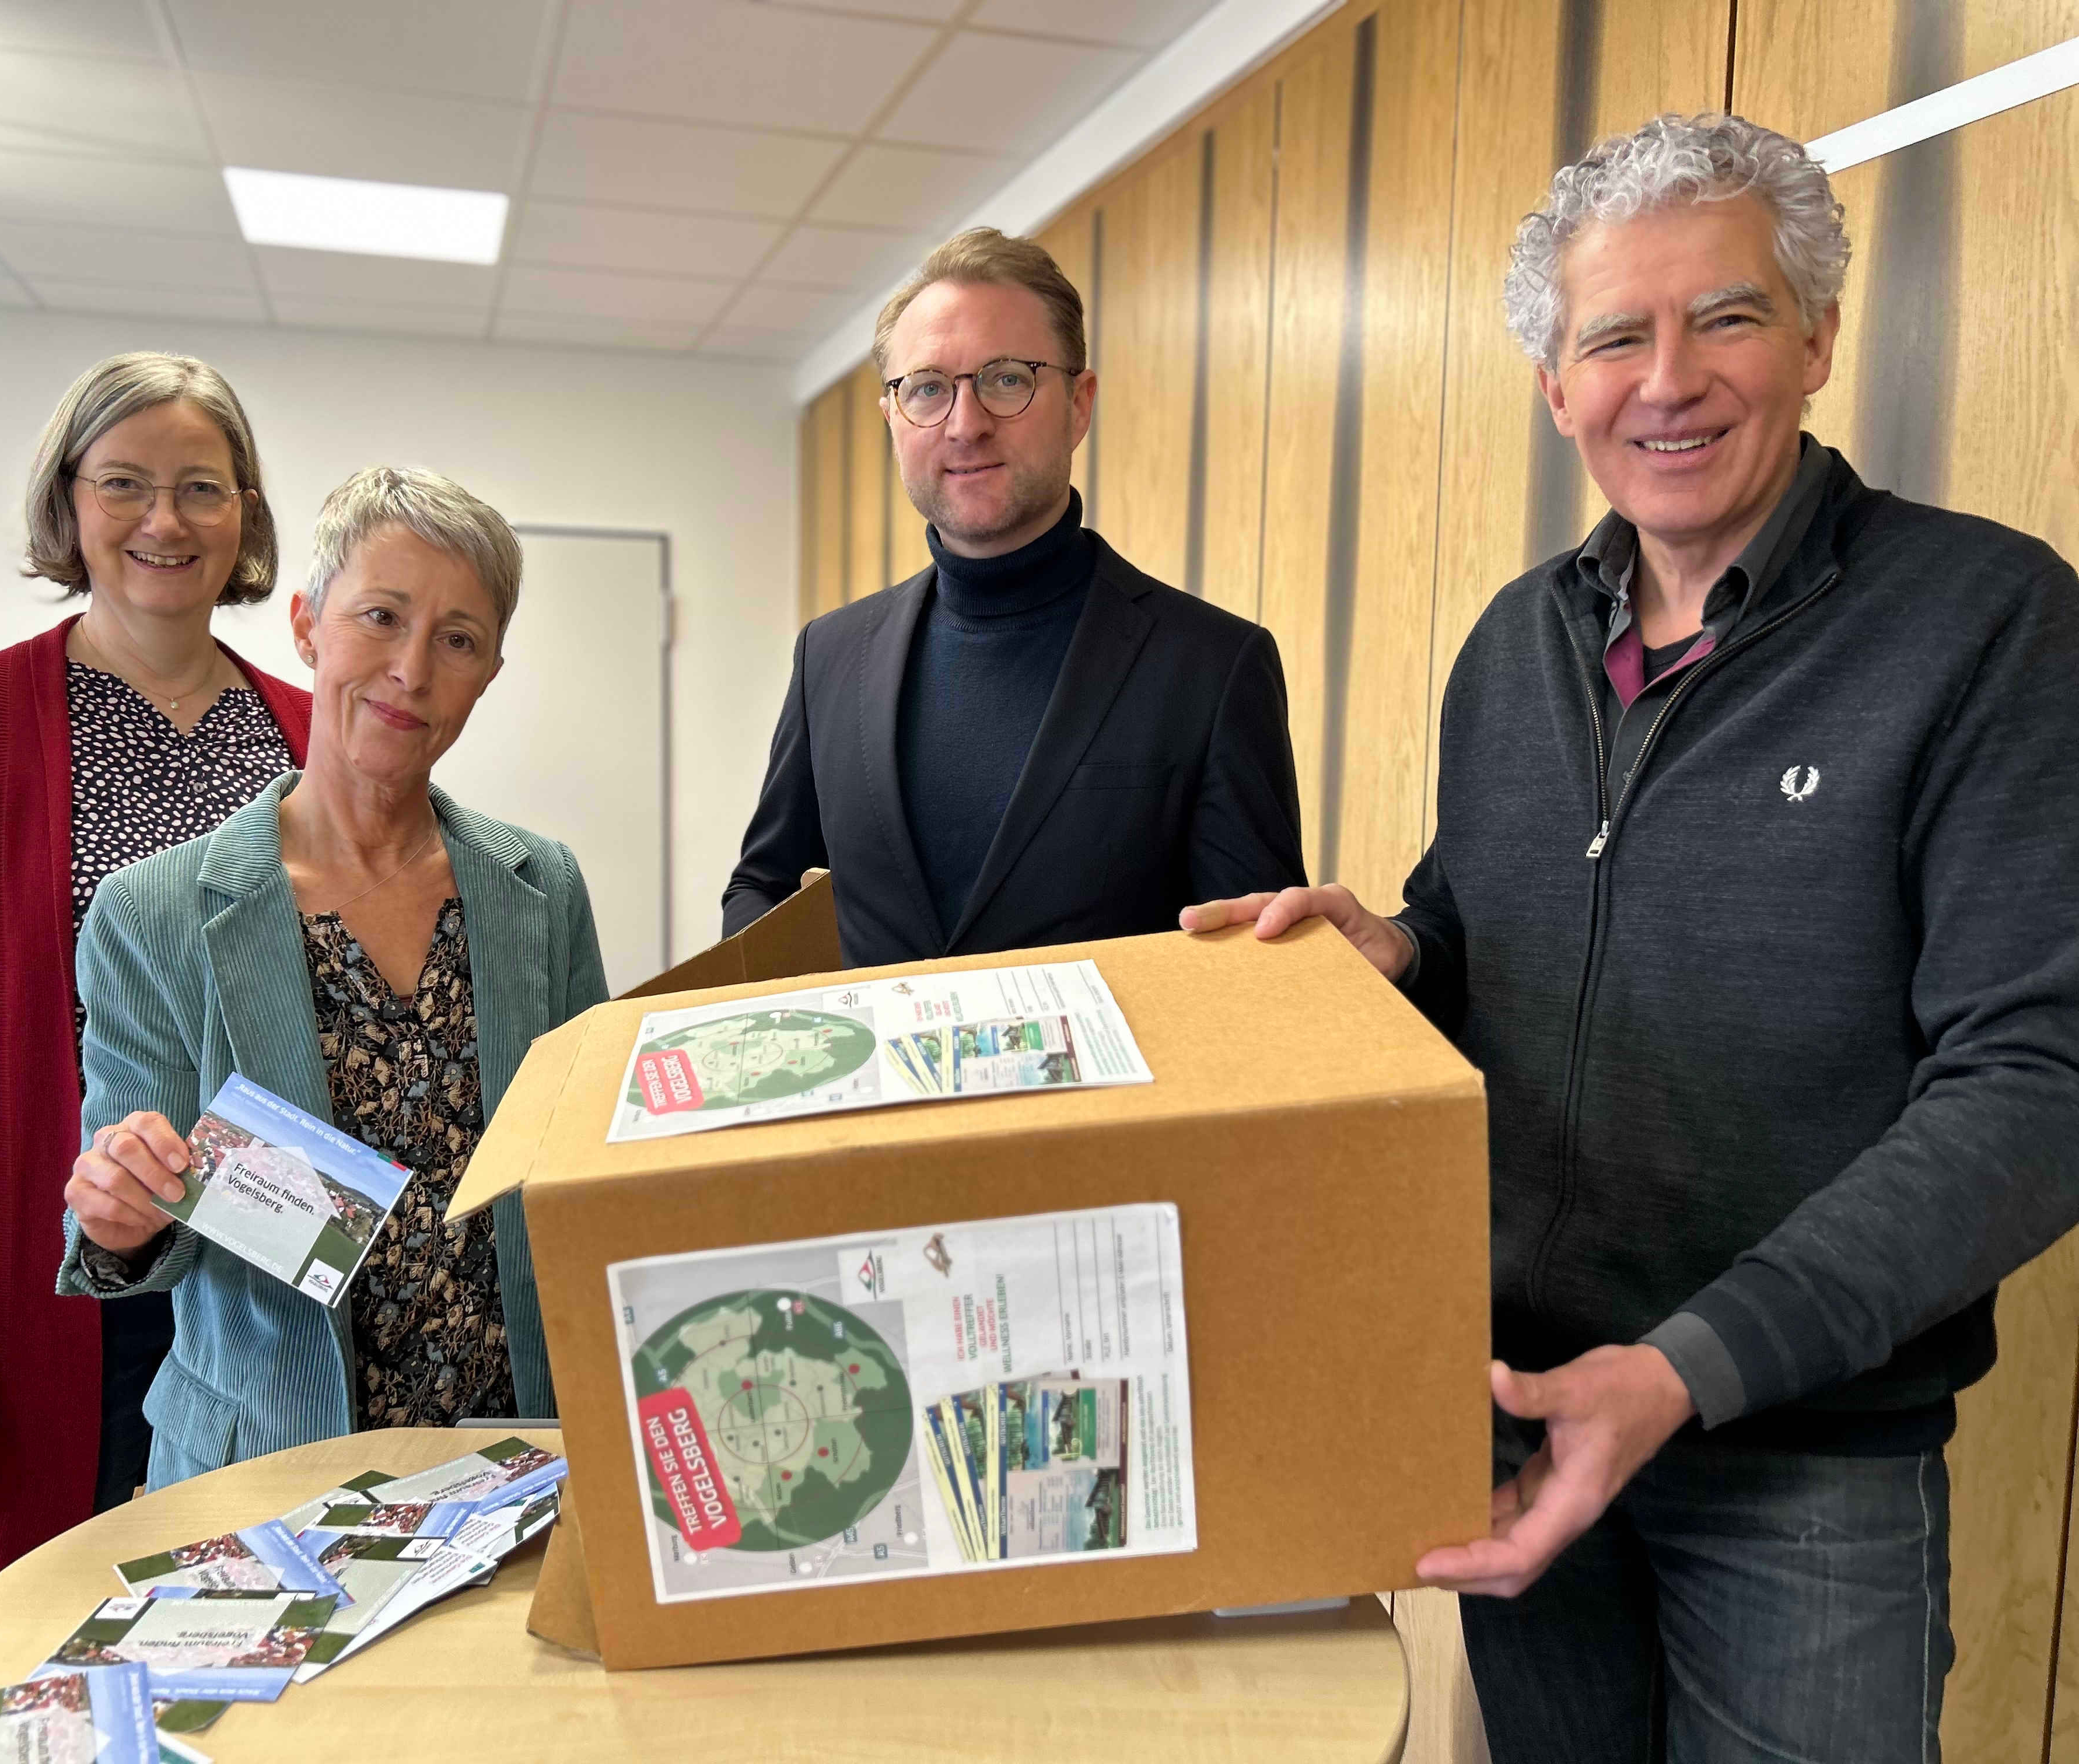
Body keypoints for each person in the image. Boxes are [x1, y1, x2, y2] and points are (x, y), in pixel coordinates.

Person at [1183, 114, 2079, 1760]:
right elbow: (1489, 921)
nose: (1668, 378)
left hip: (1804, 1468)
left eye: (1726, 316)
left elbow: (2039, 1080)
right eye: (1615, 335)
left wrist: (1687, 1368)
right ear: (1557, 384)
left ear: (1816, 337)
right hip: (1519, 1422)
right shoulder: (1514, 645)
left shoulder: (1989, 625)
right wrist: (1401, 953)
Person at [0, 353, 310, 1605]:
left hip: (270, 1291)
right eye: (126, 485)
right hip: (58, 1303)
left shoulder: (310, 738)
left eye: (203, 488)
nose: (166, 521)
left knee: (273, 1649)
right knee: (51, 1657)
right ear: (68, 503)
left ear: (248, 518)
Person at [55, 466, 606, 1486]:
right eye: (381, 617)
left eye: (458, 638)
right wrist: (122, 1210)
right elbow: (140, 1220)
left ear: (488, 671)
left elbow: (586, 1177)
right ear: (307, 625)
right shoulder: (156, 913)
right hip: (271, 1465)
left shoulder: (542, 889)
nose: (411, 670)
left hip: (514, 1456)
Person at [724, 228, 1306, 965]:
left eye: (1007, 380)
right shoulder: (831, 655)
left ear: (1080, 404)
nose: (966, 425)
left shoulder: (1213, 666)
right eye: (929, 389)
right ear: (894, 421)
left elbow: (1256, 963)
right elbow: (764, 887)